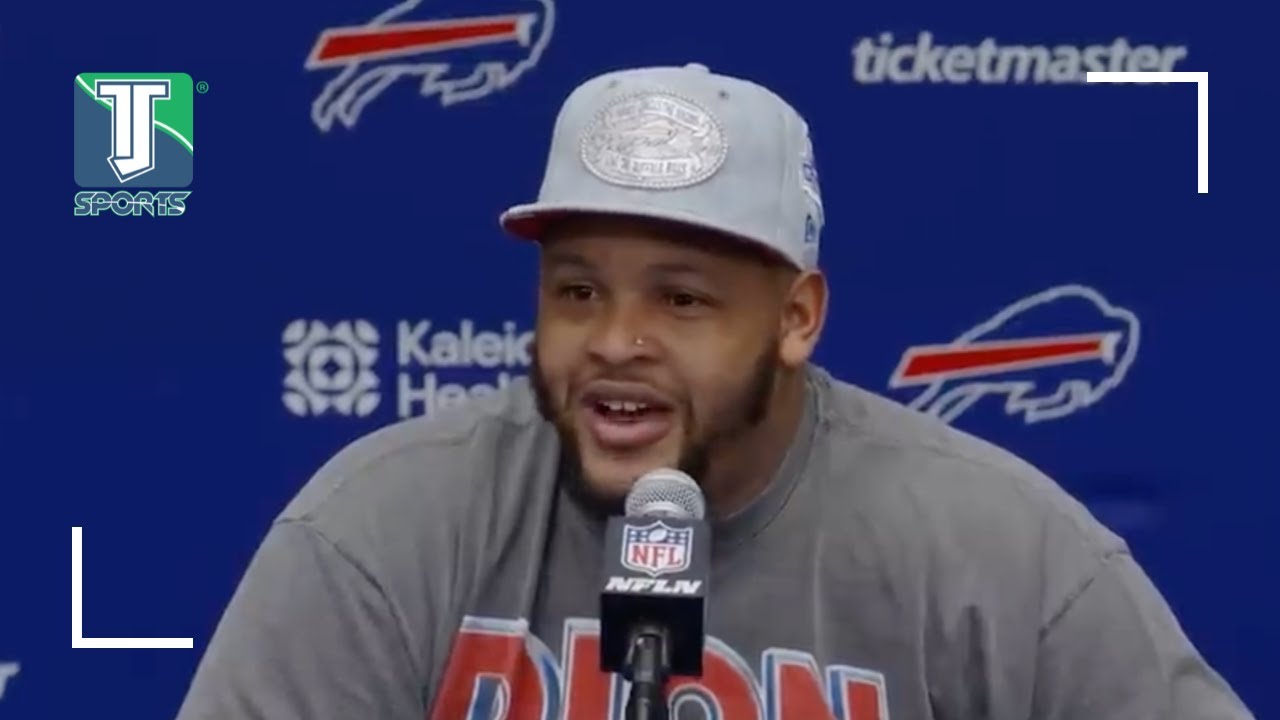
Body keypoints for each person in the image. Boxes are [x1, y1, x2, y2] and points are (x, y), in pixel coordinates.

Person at [175, 63, 1254, 720]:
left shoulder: (997, 552)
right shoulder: (386, 526)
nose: (615, 342)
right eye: (577, 291)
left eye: (681, 300)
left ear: (796, 318)